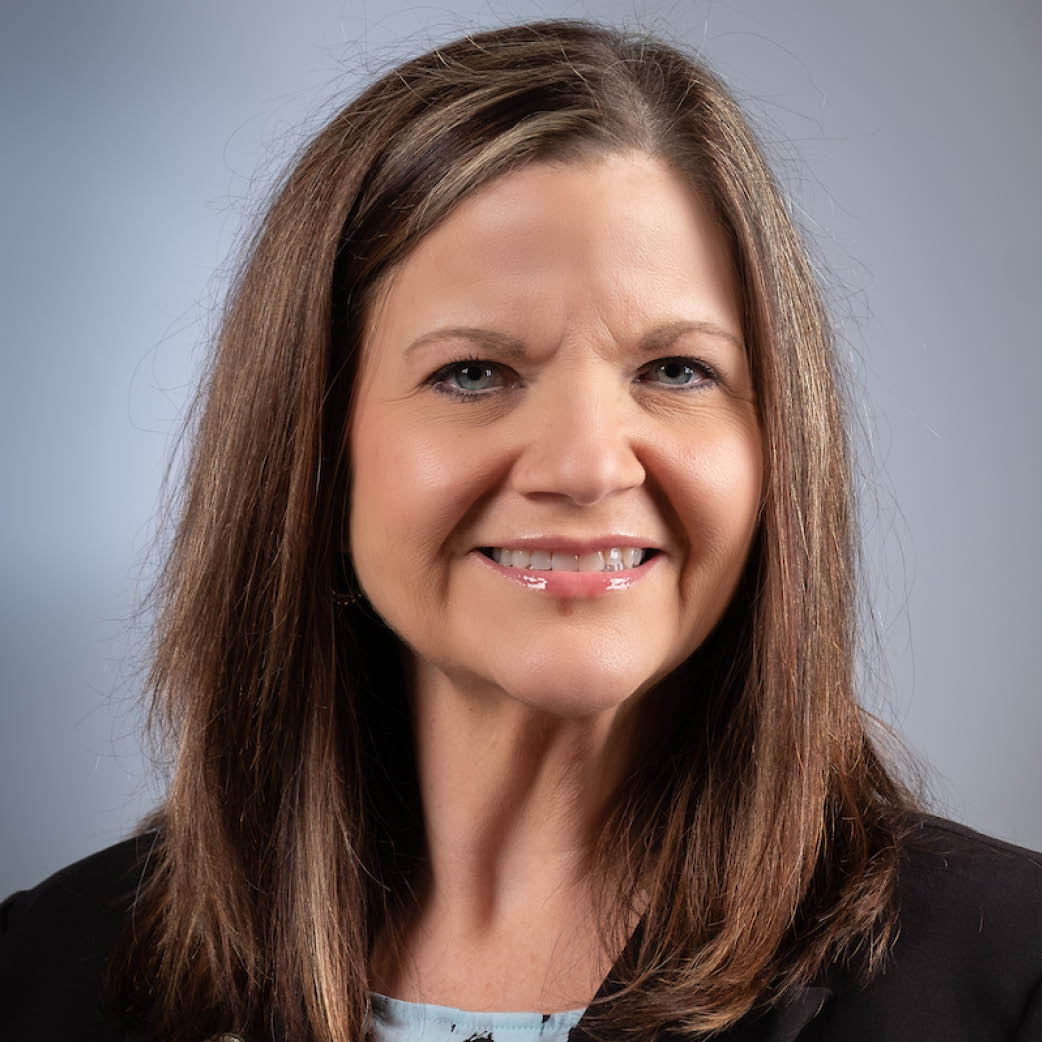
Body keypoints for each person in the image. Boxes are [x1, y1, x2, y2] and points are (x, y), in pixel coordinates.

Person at [1, 17, 1040, 1042]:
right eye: (472, 372)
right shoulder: (38, 970)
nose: (587, 464)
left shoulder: (1010, 976)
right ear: (314, 448)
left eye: (674, 369)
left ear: (775, 443)